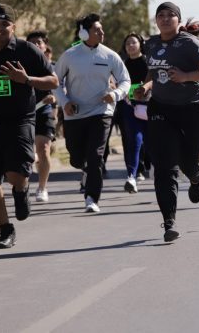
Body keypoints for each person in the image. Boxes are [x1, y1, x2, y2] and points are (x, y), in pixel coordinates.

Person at [135, 2, 199, 242]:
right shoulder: (151, 44)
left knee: (188, 162)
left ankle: (195, 177)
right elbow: (153, 71)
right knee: (164, 166)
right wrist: (146, 86)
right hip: (162, 108)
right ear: (155, 20)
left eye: (170, 15)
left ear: (178, 21)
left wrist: (187, 76)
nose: (164, 18)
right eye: (160, 15)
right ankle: (169, 222)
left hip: (194, 109)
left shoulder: (189, 43)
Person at [0, 4, 58, 248]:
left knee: (15, 173)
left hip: (20, 120)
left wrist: (26, 79)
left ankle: (21, 189)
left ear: (13, 27)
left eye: (4, 24)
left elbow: (53, 81)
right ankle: (6, 230)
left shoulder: (26, 50)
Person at [54, 14, 131, 213]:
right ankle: (85, 168)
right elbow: (55, 81)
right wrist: (64, 102)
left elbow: (125, 80)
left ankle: (92, 198)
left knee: (96, 155)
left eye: (101, 29)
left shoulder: (110, 55)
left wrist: (115, 94)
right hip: (75, 113)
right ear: (84, 33)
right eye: (97, 29)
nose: (102, 32)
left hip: (101, 112)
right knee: (76, 158)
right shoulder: (70, 55)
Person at [26, 30, 57, 203]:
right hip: (24, 113)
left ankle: (42, 188)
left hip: (44, 111)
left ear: (45, 46)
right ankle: (22, 187)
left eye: (40, 42)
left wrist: (55, 98)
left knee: (43, 148)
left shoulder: (51, 66)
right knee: (28, 153)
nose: (37, 45)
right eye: (33, 42)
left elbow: (61, 87)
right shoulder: (20, 64)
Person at [118, 33, 148, 193]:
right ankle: (131, 176)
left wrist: (145, 90)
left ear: (140, 44)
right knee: (134, 141)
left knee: (152, 142)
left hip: (150, 107)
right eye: (127, 43)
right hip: (129, 107)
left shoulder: (148, 62)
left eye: (133, 42)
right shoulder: (122, 65)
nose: (130, 45)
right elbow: (118, 83)